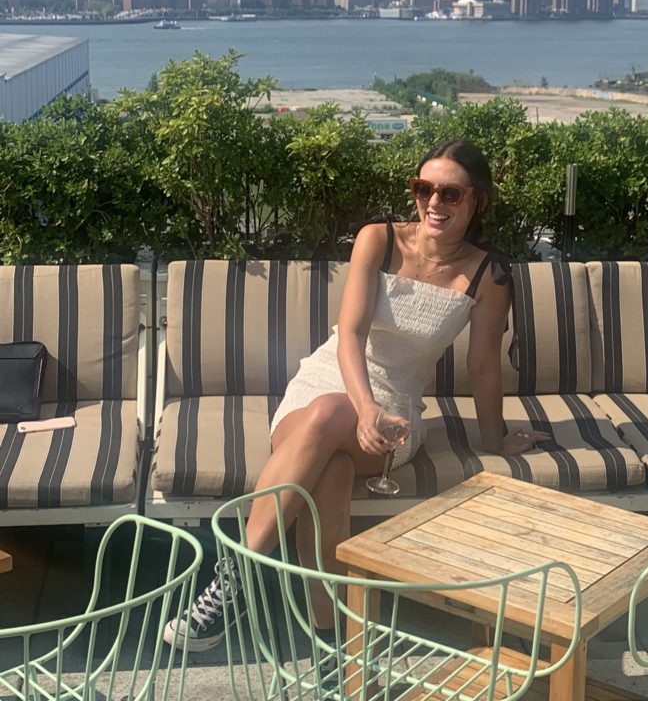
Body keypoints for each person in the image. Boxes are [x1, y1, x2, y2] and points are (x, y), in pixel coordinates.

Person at [164, 138, 549, 650]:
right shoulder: (378, 239)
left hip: (395, 415)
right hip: (322, 386)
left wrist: (494, 437)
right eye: (424, 188)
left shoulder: (486, 275)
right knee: (330, 459)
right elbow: (350, 333)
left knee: (332, 450)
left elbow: (482, 368)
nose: (434, 202)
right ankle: (329, 638)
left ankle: (238, 577)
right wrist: (362, 407)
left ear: (478, 201)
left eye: (451, 194)